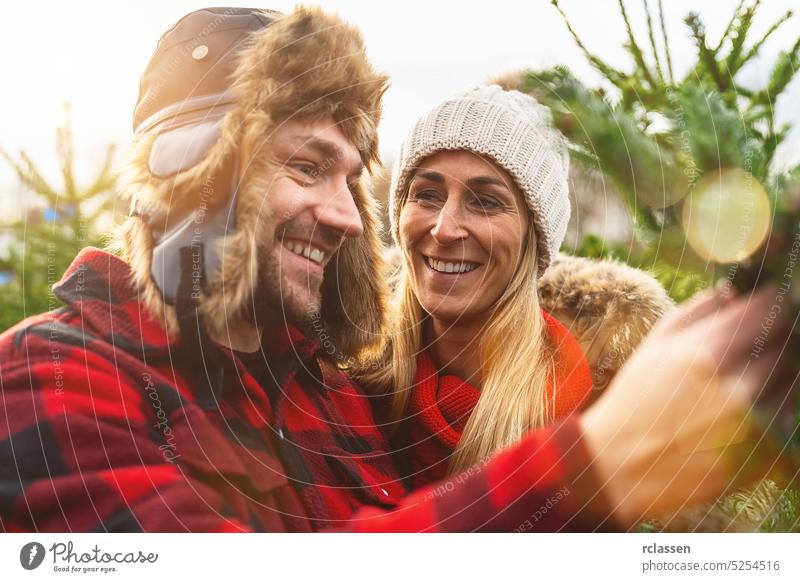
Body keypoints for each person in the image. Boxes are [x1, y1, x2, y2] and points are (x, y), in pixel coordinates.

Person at [0, 7, 790, 533]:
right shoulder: (51, 374)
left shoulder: (335, 393)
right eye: (309, 167)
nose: (350, 215)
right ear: (189, 169)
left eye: (353, 178)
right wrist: (592, 468)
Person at [359, 86, 675, 488]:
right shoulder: (349, 383)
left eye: (486, 202)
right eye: (427, 194)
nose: (444, 228)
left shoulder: (594, 417)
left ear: (534, 237)